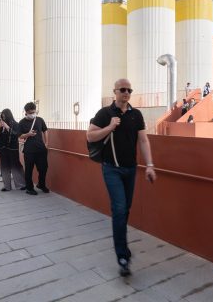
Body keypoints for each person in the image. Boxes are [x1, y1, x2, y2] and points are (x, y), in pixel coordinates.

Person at [88, 78, 156, 277]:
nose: (126, 93)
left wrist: (150, 165)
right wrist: (109, 127)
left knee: (125, 209)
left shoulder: (136, 114)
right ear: (115, 92)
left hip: (131, 169)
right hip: (111, 169)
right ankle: (123, 256)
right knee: (119, 208)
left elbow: (143, 140)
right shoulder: (105, 113)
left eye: (129, 90)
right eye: (122, 90)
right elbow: (90, 136)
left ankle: (121, 238)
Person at [18, 102, 49, 195]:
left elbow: (45, 130)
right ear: (26, 112)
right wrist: (28, 134)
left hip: (41, 149)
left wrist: (47, 143)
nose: (33, 114)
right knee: (29, 169)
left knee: (43, 168)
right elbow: (20, 136)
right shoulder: (22, 122)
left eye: (34, 112)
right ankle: (29, 188)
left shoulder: (39, 120)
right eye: (31, 113)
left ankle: (41, 184)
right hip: (29, 150)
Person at [0, 108, 25, 191]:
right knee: (4, 167)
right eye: (2, 117)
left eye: (4, 116)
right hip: (3, 149)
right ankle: (7, 186)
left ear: (8, 115)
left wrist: (7, 127)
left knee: (16, 166)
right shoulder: (1, 125)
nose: (3, 118)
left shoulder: (15, 124)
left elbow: (17, 135)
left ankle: (21, 184)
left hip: (13, 148)